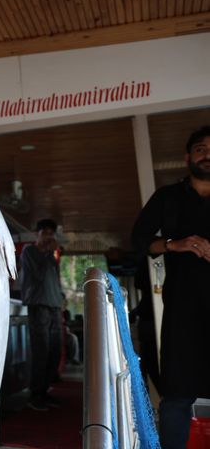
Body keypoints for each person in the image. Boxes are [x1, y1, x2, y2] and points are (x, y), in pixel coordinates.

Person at [131, 125, 210, 449]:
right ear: (187, 157)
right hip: (180, 311)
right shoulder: (168, 197)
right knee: (176, 397)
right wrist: (173, 244)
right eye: (201, 149)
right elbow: (139, 241)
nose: (207, 155)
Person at [20, 218, 63, 411]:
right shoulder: (29, 252)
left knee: (54, 350)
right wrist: (46, 252)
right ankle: (35, 395)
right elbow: (37, 275)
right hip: (38, 305)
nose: (48, 236)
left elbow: (54, 279)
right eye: (44, 232)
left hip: (54, 306)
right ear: (37, 234)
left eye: (51, 233)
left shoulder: (51, 256)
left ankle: (45, 392)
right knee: (41, 350)